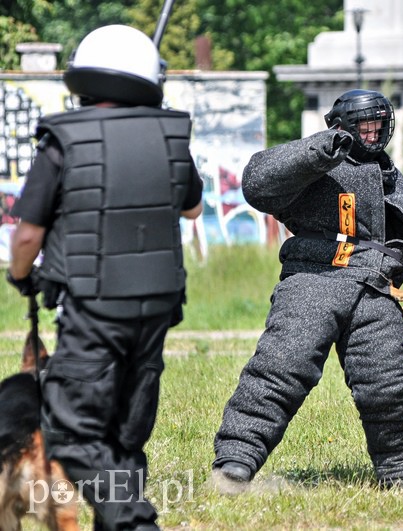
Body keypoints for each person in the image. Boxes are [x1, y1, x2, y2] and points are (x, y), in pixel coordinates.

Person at [212, 89, 403, 491]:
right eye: (364, 123)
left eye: (378, 123)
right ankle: (235, 463)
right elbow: (259, 180)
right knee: (280, 369)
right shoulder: (317, 163)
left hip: (374, 288)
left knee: (392, 383)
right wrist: (317, 151)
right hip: (314, 281)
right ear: (340, 125)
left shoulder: (389, 176)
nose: (372, 130)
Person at [6, 24, 203, 530]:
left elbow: (27, 234)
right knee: (123, 436)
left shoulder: (63, 141)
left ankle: (135, 523)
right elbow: (194, 208)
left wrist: (22, 276)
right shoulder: (171, 135)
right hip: (157, 312)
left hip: (94, 310)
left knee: (72, 435)